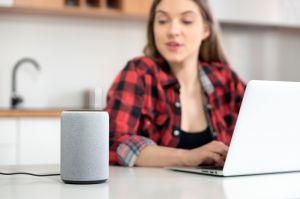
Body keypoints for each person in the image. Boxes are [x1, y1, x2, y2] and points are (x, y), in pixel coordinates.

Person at [105, 0, 245, 167]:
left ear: (205, 30)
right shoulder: (140, 72)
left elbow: (263, 134)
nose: (173, 31)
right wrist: (187, 157)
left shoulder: (225, 78)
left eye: (186, 21)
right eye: (163, 21)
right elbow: (111, 141)